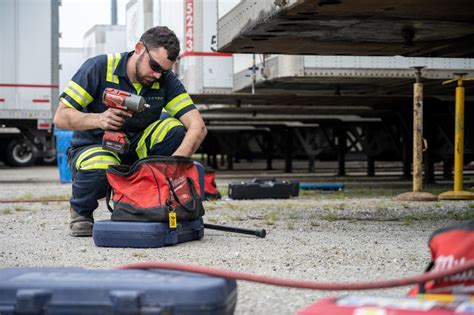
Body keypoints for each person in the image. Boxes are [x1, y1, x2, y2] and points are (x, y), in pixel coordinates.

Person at [54, 26, 207, 237]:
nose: (156, 75)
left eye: (163, 71)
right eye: (153, 66)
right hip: (95, 146)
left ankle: (144, 200)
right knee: (100, 163)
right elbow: (60, 117)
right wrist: (99, 119)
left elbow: (198, 126)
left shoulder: (164, 80)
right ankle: (81, 211)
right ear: (138, 48)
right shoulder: (98, 67)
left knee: (174, 129)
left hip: (136, 150)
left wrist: (176, 164)